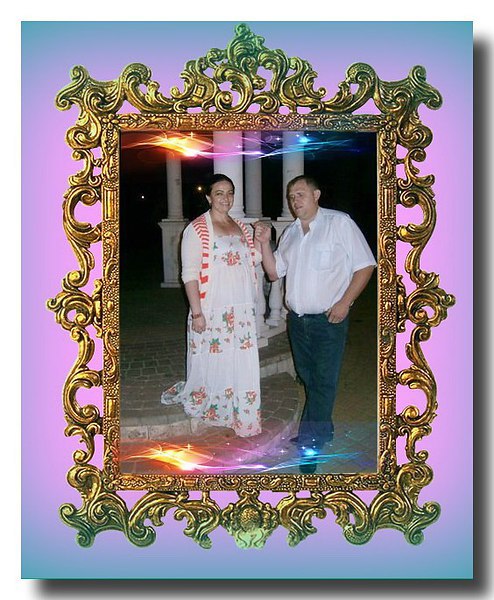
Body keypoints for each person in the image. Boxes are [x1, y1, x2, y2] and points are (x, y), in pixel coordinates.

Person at [254, 175, 376, 472]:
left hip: (328, 320)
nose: (294, 200)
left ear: (316, 194)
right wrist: (264, 243)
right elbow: (274, 272)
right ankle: (323, 428)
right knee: (310, 379)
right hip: (298, 322)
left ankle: (310, 444)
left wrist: (345, 302)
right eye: (291, 196)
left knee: (323, 382)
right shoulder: (291, 233)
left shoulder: (339, 223)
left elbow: (365, 266)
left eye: (300, 194)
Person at [161, 174, 262, 438]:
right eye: (219, 193)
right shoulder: (197, 229)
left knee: (239, 358)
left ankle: (242, 412)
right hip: (212, 307)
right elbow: (189, 274)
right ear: (208, 197)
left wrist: (262, 238)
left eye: (230, 192)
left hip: (240, 309)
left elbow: (252, 259)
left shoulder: (240, 226)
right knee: (216, 358)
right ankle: (218, 408)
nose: (226, 198)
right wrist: (197, 313)